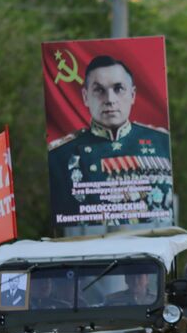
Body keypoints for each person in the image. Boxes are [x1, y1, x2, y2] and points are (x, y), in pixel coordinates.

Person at [47, 55, 173, 226]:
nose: (110, 100)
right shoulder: (60, 155)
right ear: (85, 96)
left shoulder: (162, 143)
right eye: (99, 90)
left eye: (119, 88)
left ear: (133, 95)